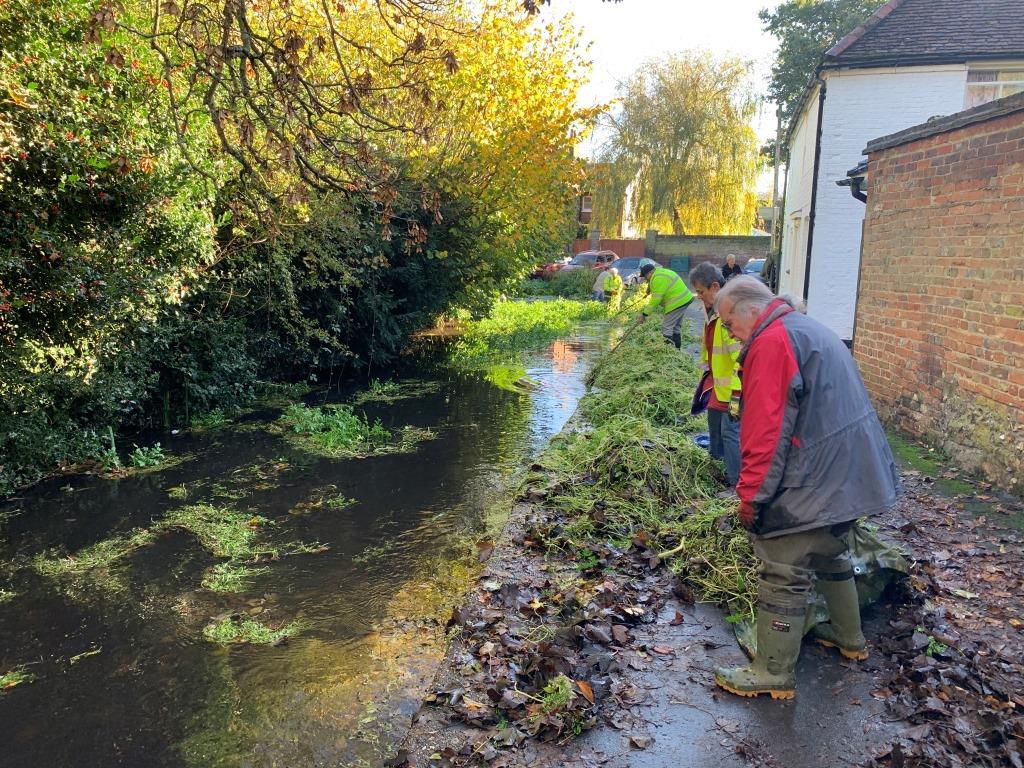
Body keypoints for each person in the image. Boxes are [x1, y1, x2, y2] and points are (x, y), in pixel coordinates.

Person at [712, 276, 899, 700]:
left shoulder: (773, 341)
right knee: (830, 549)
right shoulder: (806, 328)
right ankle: (850, 638)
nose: (729, 333)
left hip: (819, 473)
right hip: (854, 473)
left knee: (782, 561)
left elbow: (766, 431)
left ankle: (773, 671)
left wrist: (751, 498)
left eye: (728, 324)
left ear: (749, 310)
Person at [688, 262, 741, 488]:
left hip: (735, 388)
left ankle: (735, 483)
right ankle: (717, 468)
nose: (698, 296)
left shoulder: (728, 315)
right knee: (714, 424)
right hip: (718, 383)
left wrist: (738, 396)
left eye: (701, 291)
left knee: (731, 433)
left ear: (715, 287)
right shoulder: (711, 311)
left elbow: (741, 359)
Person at [636, 263, 695, 349]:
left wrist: (644, 314)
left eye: (645, 277)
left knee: (667, 327)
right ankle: (677, 350)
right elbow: (654, 283)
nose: (645, 279)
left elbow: (655, 300)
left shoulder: (657, 278)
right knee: (676, 327)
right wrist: (648, 290)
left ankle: (668, 351)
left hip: (676, 302)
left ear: (650, 273)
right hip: (684, 299)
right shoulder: (660, 273)